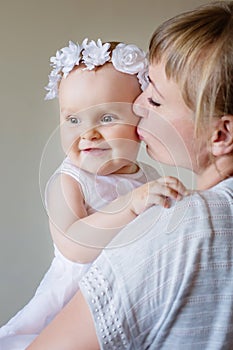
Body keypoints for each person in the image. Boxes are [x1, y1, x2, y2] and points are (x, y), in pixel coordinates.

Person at [26, 1, 233, 349]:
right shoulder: (72, 181)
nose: (137, 106)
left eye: (154, 100)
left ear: (221, 135)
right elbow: (73, 243)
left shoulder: (188, 223)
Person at [0, 39, 186, 349]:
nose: (88, 133)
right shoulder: (68, 181)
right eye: (73, 120)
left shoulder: (148, 177)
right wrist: (129, 205)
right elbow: (73, 244)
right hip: (77, 303)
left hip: (131, 293)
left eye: (107, 118)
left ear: (139, 121)